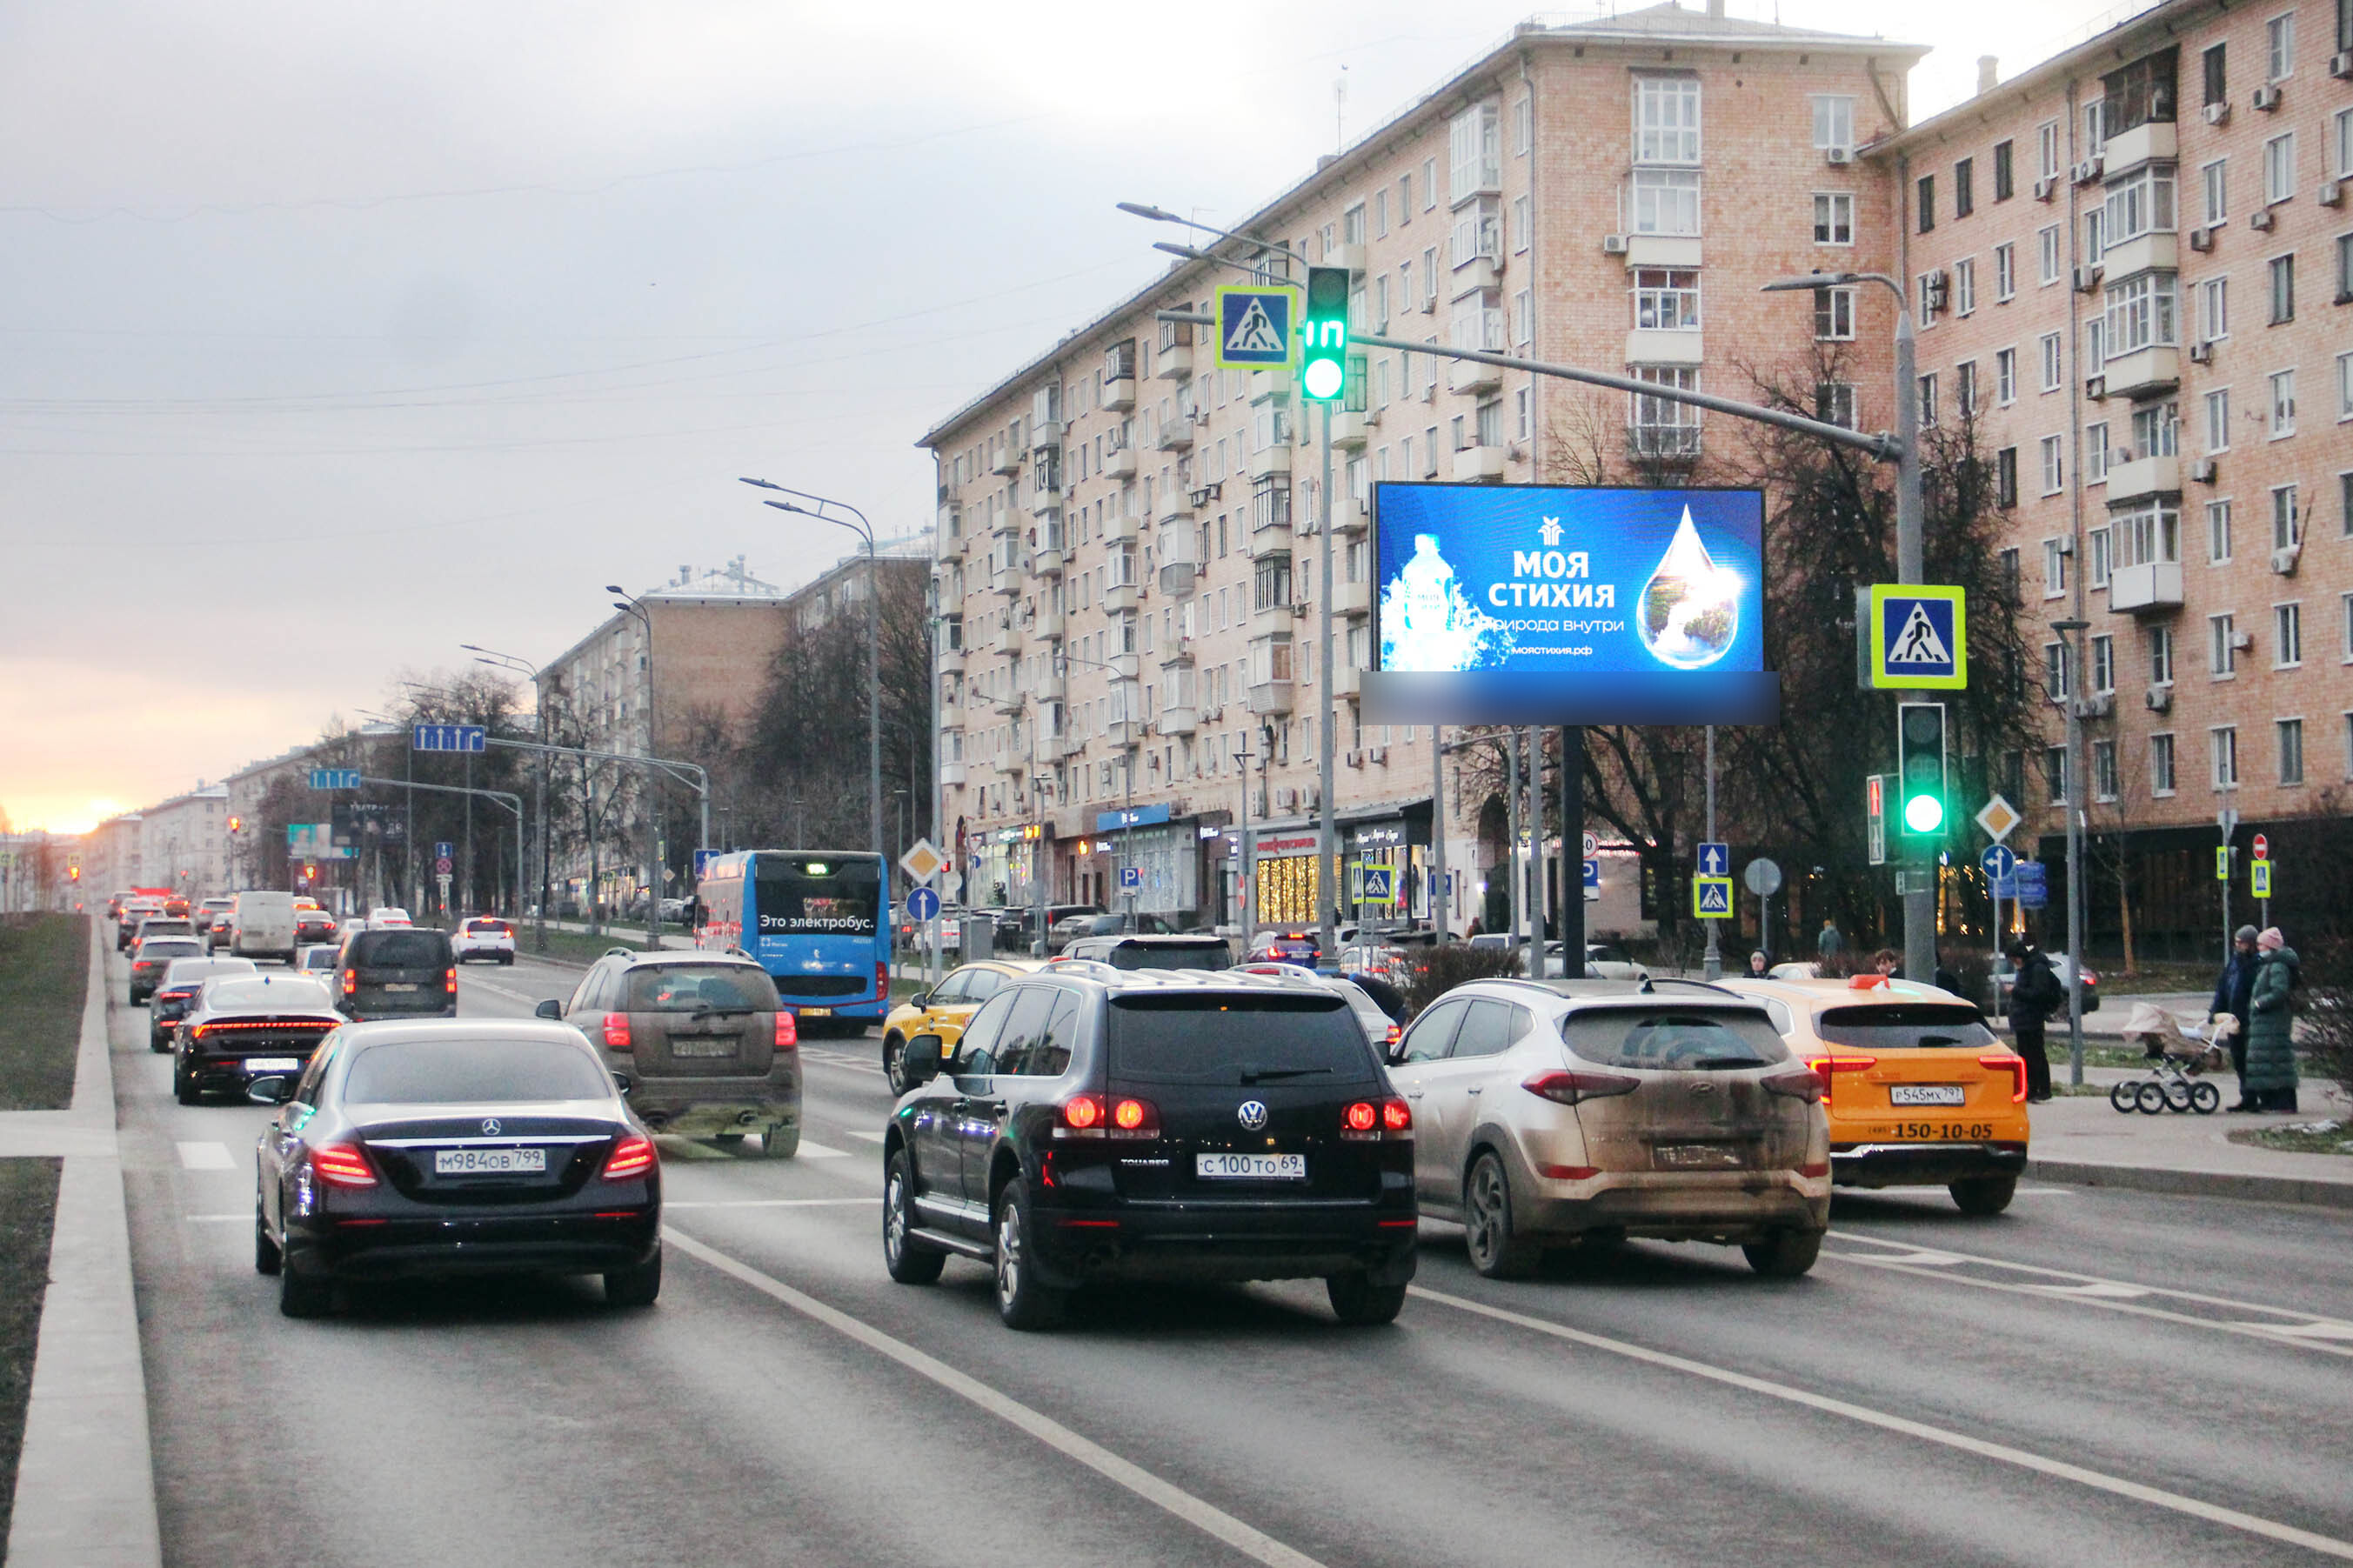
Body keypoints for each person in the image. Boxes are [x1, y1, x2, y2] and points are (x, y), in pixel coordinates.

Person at [2243, 927, 2301, 1113]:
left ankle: (2283, 1102)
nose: (2258, 948)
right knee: (2265, 1061)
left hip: (2273, 1021)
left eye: (2261, 945)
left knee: (2276, 1061)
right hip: (2265, 1022)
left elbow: (2279, 992)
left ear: (2270, 946)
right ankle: (2269, 1101)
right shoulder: (2268, 965)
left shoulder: (2277, 966)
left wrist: (2259, 1003)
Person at [2006, 938, 2062, 1103]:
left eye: (2014, 959)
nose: (2014, 963)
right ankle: (2032, 1089)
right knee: (2026, 1056)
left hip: (2032, 1018)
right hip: (2024, 1019)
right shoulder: (2026, 969)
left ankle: (2042, 1089)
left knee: (2035, 1055)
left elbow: (2038, 994)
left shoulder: (2037, 969)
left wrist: (2015, 991)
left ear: (2020, 956)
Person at [2210, 924, 2261, 1101]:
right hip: (2233, 1019)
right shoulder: (2234, 962)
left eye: (2241, 943)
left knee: (2251, 1059)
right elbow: (2223, 988)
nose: (2238, 946)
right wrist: (2215, 1011)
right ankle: (2246, 1096)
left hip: (2248, 1018)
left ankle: (2255, 1096)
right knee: (2238, 1058)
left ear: (2251, 943)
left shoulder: (2256, 964)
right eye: (2236, 942)